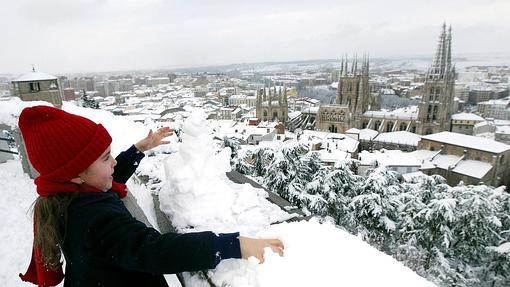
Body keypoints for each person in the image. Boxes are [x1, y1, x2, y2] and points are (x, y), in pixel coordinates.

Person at [18, 105, 284, 287]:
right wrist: (232, 244)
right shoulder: (96, 219)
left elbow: (111, 177)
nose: (113, 162)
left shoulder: (65, 197)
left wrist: (139, 149)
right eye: (105, 157)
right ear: (74, 174)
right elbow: (156, 251)